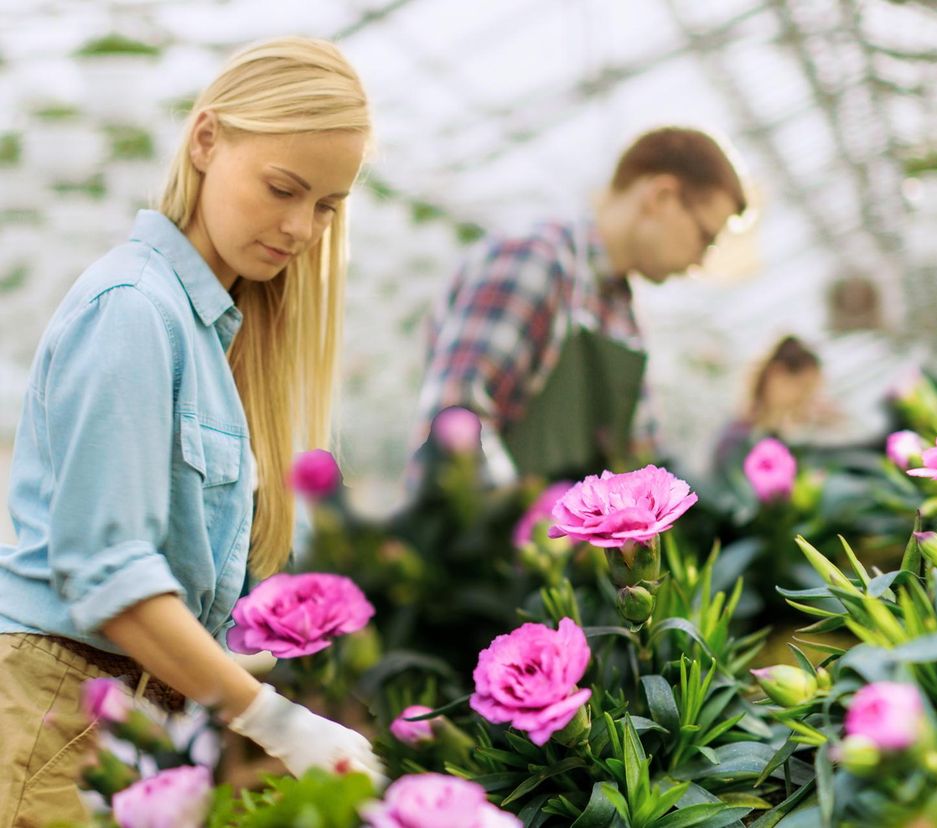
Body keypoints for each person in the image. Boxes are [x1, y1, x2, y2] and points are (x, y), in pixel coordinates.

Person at [0, 36, 384, 823]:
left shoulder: (210, 333)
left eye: (325, 207)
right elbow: (109, 576)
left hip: (126, 719)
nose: (302, 227)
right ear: (206, 140)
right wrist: (273, 720)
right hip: (59, 715)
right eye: (283, 187)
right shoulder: (135, 311)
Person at [412, 127, 747, 485]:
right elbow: (454, 421)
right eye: (704, 238)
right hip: (486, 533)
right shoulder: (535, 261)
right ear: (661, 197)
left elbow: (639, 456)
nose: (700, 261)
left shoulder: (624, 312)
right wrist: (531, 525)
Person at [712, 334, 835, 473]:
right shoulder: (738, 439)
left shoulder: (775, 437)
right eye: (804, 387)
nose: (807, 398)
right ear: (777, 374)